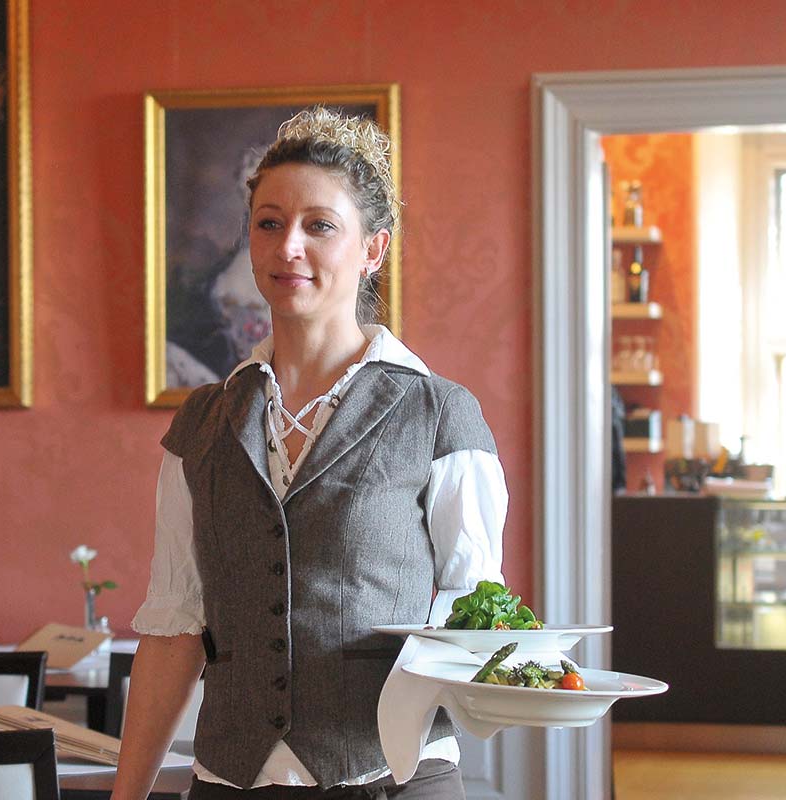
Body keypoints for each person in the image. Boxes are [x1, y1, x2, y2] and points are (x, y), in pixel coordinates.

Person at [111, 108, 508, 800]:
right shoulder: (202, 424)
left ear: (373, 250)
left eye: (319, 225)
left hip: (391, 779)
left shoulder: (440, 414)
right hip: (229, 783)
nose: (288, 246)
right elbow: (174, 630)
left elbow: (474, 617)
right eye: (269, 223)